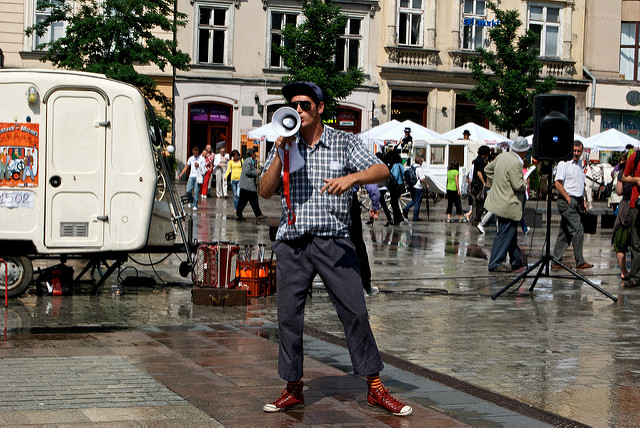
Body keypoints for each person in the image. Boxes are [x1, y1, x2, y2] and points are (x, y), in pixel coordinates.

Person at [259, 81, 412, 416]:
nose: (298, 110)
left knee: (355, 312)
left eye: (304, 105)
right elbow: (265, 191)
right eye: (294, 105)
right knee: (287, 318)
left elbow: (382, 169)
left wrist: (352, 179)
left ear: (320, 108)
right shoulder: (287, 143)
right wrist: (280, 151)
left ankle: (374, 387)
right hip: (293, 242)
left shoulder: (343, 142)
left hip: (334, 240)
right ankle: (293, 387)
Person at [485, 137, 529, 272]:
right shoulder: (516, 162)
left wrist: (498, 183)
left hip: (499, 200)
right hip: (509, 202)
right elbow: (517, 184)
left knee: (510, 231)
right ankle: (495, 262)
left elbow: (488, 169)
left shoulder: (502, 156)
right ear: (523, 151)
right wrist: (525, 184)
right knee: (505, 232)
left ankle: (516, 260)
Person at [551, 141, 593, 270]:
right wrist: (568, 199)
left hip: (576, 200)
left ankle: (556, 260)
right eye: (574, 150)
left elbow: (579, 184)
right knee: (578, 229)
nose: (576, 153)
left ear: (582, 152)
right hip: (566, 200)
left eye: (578, 151)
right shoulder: (564, 164)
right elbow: (558, 183)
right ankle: (580, 261)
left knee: (565, 232)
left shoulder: (580, 164)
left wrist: (582, 201)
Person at [350, 184, 380, 295]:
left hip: (325, 199)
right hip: (349, 199)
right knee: (357, 244)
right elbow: (370, 183)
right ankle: (365, 285)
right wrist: (375, 204)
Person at [613, 151, 633, 281]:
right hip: (635, 205)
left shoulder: (622, 174)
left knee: (620, 242)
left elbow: (619, 191)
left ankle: (624, 271)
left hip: (626, 207)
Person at [236, 148, 264, 221]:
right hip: (248, 185)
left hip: (245, 185)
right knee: (254, 200)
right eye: (254, 153)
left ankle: (238, 214)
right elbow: (247, 171)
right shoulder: (249, 161)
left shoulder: (248, 160)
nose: (255, 155)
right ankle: (258, 214)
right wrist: (256, 173)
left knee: (243, 201)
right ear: (252, 154)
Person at [178, 146, 205, 211]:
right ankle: (190, 200)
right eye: (194, 153)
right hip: (191, 175)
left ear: (198, 152)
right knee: (188, 190)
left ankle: (195, 204)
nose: (195, 154)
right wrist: (181, 174)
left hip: (198, 176)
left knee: (196, 191)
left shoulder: (202, 159)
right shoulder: (191, 158)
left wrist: (199, 166)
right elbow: (187, 166)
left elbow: (204, 169)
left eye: (196, 153)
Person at [469, 145, 490, 223]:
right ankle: (477, 218)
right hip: (478, 184)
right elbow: (479, 173)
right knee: (481, 201)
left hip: (474, 184)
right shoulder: (481, 161)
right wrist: (484, 183)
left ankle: (474, 217)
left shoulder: (477, 159)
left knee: (475, 202)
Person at [403, 156, 427, 221]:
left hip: (411, 186)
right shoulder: (419, 168)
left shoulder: (412, 167)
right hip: (418, 187)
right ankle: (415, 217)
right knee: (417, 202)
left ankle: (406, 208)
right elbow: (422, 179)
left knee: (414, 200)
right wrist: (426, 184)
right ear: (420, 162)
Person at [388, 152, 405, 225]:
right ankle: (398, 217)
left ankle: (397, 218)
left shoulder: (395, 166)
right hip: (400, 185)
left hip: (395, 186)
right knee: (395, 202)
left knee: (393, 202)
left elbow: (395, 176)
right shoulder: (401, 165)